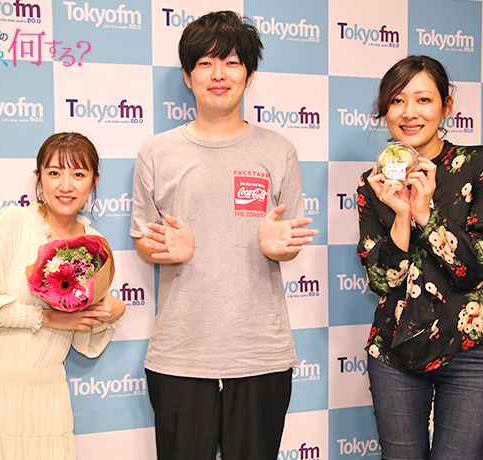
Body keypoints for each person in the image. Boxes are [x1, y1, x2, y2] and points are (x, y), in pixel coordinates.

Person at [130, 10, 318, 460]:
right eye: (206, 63)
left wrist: (278, 249)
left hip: (260, 353)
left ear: (249, 75)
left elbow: (288, 244)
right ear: (187, 75)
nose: (219, 75)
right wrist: (163, 250)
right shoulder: (156, 152)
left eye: (232, 62)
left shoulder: (279, 150)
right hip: (180, 352)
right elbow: (142, 238)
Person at [356, 55, 483, 460]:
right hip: (395, 352)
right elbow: (383, 280)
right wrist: (402, 215)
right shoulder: (374, 184)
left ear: (446, 107)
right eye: (397, 101)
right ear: (384, 110)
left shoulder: (481, 164)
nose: (409, 112)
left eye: (423, 100)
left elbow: (479, 266)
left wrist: (425, 213)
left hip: (471, 351)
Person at [0, 132, 125, 460]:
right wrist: (47, 317)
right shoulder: (13, 222)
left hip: (47, 396)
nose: (65, 185)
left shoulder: (94, 246)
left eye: (78, 174)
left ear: (94, 182)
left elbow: (84, 338)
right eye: (54, 173)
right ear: (39, 178)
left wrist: (110, 311)